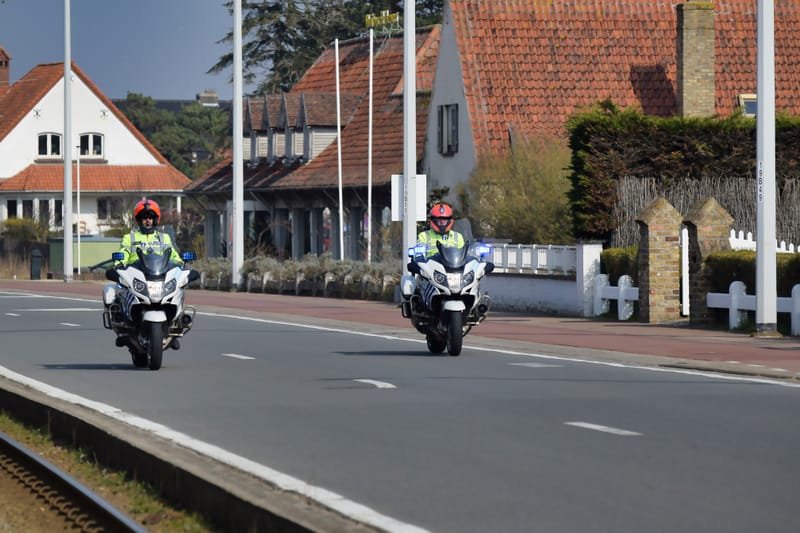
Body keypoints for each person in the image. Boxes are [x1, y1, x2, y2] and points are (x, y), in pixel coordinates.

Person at [117, 198, 182, 265]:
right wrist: (119, 264)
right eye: (144, 217)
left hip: (160, 273)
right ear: (139, 219)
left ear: (155, 219)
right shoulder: (129, 238)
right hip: (134, 273)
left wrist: (180, 264)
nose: (148, 220)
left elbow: (172, 254)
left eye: (151, 217)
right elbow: (123, 253)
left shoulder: (164, 237)